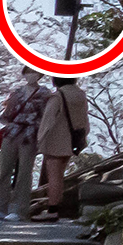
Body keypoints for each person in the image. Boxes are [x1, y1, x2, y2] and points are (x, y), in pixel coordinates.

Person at [0, 68, 48, 220]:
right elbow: (6, 114)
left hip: (30, 134)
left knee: (25, 172)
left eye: (34, 73)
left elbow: (46, 116)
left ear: (40, 75)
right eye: (28, 72)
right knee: (4, 170)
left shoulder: (44, 94)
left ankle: (18, 210)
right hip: (12, 132)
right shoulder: (17, 92)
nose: (31, 75)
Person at [32, 78, 88, 221]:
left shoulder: (58, 96)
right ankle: (56, 207)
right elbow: (84, 119)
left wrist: (39, 140)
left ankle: (52, 210)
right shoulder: (81, 95)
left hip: (56, 140)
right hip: (72, 141)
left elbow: (48, 120)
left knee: (54, 177)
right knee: (60, 175)